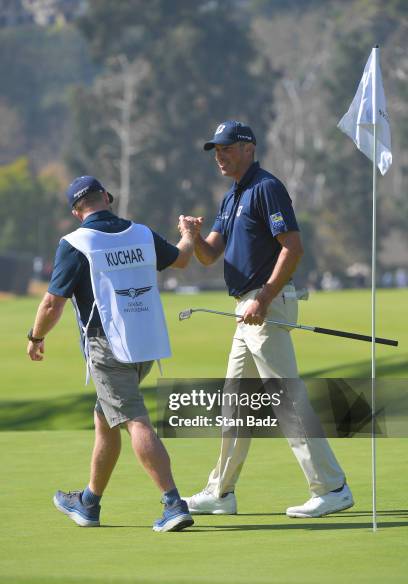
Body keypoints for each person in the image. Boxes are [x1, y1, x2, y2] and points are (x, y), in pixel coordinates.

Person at [182, 120, 354, 518]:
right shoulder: (232, 196)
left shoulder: (267, 187)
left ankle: (332, 487)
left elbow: (292, 248)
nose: (220, 156)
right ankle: (221, 492)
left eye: (226, 148)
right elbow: (210, 256)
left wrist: (263, 298)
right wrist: (192, 236)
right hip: (246, 309)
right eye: (216, 150)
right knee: (234, 402)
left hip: (264, 305)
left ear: (248, 148)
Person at [27, 175, 196, 532]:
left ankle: (173, 503)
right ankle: (89, 502)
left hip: (107, 347)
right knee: (105, 419)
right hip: (145, 344)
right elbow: (181, 259)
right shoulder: (141, 232)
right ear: (106, 197)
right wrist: (188, 234)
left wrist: (36, 336)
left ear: (76, 211)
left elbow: (52, 302)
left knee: (134, 419)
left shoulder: (76, 243)